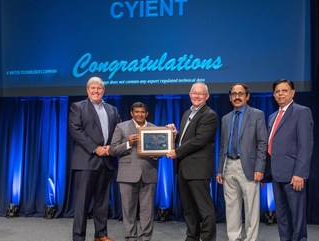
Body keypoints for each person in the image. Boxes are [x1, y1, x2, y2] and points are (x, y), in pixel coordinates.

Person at [69, 76, 121, 241]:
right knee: (82, 204)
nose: (96, 91)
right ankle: (78, 237)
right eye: (93, 88)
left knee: (102, 202)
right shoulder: (78, 107)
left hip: (106, 161)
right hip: (86, 162)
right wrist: (95, 148)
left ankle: (101, 235)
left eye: (99, 88)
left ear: (103, 91)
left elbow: (119, 131)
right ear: (87, 90)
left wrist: (111, 147)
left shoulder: (112, 109)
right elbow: (76, 131)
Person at [166, 82, 217, 241]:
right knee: (188, 208)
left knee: (204, 209)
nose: (197, 96)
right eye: (194, 93)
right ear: (189, 94)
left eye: (201, 94)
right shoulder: (187, 112)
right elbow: (188, 138)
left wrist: (177, 151)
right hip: (183, 168)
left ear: (207, 96)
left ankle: (207, 238)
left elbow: (200, 140)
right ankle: (192, 237)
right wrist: (176, 134)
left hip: (198, 169)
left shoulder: (209, 115)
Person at [216, 83, 267, 241]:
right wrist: (219, 169)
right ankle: (234, 238)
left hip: (249, 167)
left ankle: (251, 239)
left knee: (251, 208)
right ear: (230, 97)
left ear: (247, 96)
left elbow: (262, 143)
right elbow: (223, 145)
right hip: (228, 166)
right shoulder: (225, 119)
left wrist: (260, 167)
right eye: (234, 94)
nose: (237, 97)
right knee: (232, 207)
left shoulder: (257, 114)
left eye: (240, 94)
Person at [267, 79, 313, 241]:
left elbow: (305, 146)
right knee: (282, 217)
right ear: (273, 95)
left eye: (284, 90)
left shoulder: (301, 111)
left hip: (294, 176)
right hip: (276, 174)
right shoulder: (272, 117)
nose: (281, 94)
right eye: (277, 91)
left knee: (297, 218)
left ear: (292, 93)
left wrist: (300, 173)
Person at [110, 102, 158, 241]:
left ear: (146, 113)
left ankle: (145, 239)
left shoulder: (154, 128)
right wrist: (129, 143)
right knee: (128, 210)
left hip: (149, 173)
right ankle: (131, 238)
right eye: (136, 112)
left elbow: (160, 151)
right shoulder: (121, 127)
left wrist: (155, 153)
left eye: (142, 112)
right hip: (127, 175)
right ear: (132, 113)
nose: (139, 114)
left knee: (147, 211)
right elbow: (113, 150)